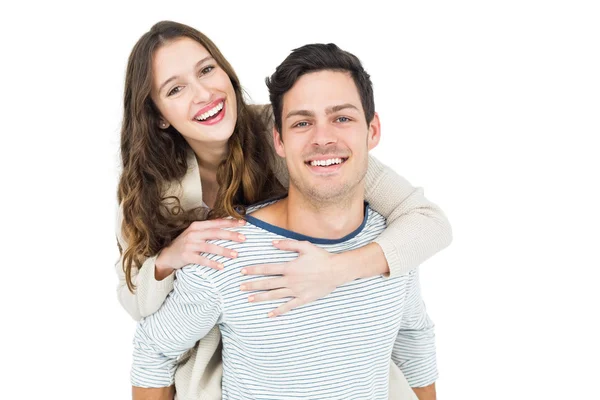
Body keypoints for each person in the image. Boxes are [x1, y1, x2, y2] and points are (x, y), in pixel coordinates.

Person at [117, 21, 450, 399]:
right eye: (175, 89)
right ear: (158, 113)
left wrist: (338, 269)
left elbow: (427, 224)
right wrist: (166, 261)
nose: (202, 93)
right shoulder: (148, 190)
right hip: (221, 357)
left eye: (207, 69)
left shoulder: (291, 135)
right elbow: (144, 322)